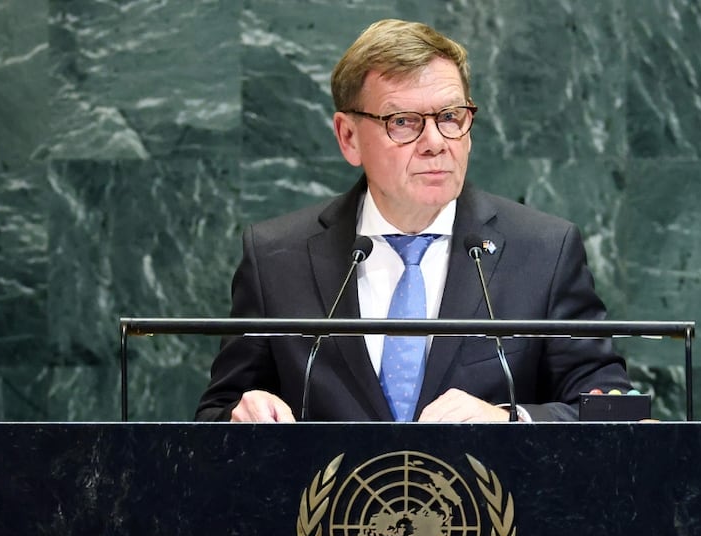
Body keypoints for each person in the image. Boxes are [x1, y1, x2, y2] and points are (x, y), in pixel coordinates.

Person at [195, 18, 631, 423]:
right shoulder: (275, 258)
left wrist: (512, 420)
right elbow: (215, 414)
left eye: (449, 117)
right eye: (403, 122)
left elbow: (612, 408)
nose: (435, 143)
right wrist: (244, 413)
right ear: (349, 137)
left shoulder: (543, 251)